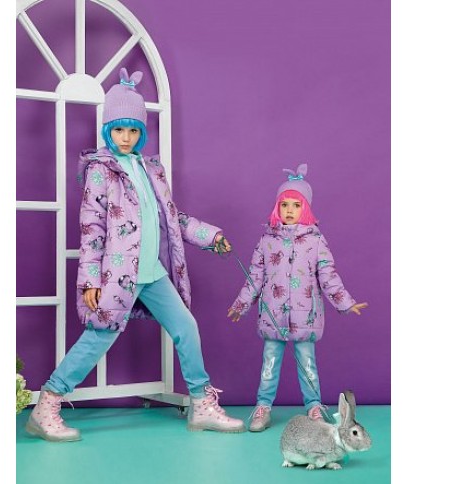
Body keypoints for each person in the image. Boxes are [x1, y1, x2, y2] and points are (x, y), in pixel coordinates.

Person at [26, 68, 245, 441]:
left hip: (153, 272)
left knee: (186, 328)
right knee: (98, 337)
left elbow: (172, 218)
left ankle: (201, 405)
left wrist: (210, 236)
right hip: (118, 274)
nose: (125, 138)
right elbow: (92, 228)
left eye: (132, 130)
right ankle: (47, 405)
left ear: (141, 132)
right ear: (107, 131)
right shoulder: (100, 171)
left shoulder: (151, 169)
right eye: (118, 130)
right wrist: (90, 280)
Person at [227, 164, 367, 432]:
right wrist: (240, 305)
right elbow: (254, 277)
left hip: (306, 317)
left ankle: (314, 406)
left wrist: (345, 302)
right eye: (284, 205)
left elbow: (328, 276)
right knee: (270, 363)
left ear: (306, 209)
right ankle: (263, 406)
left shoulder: (316, 242)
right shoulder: (266, 241)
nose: (289, 210)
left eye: (296, 205)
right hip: (273, 316)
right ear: (276, 208)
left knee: (307, 363)